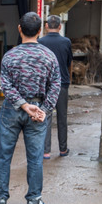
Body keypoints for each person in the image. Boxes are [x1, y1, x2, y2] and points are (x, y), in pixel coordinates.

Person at [0, 12, 61, 204]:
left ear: (19, 29)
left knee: (3, 156)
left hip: (12, 109)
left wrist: (22, 104)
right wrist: (44, 109)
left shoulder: (10, 55)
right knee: (35, 157)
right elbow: (56, 85)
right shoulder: (49, 56)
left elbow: (6, 86)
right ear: (40, 31)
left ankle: (0, 199)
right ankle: (34, 200)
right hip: (37, 111)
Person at [37, 15, 73, 159]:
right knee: (62, 117)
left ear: (46, 26)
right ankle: (63, 149)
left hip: (45, 85)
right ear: (60, 26)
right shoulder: (66, 42)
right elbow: (69, 61)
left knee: (45, 116)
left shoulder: (40, 42)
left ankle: (46, 152)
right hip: (62, 84)